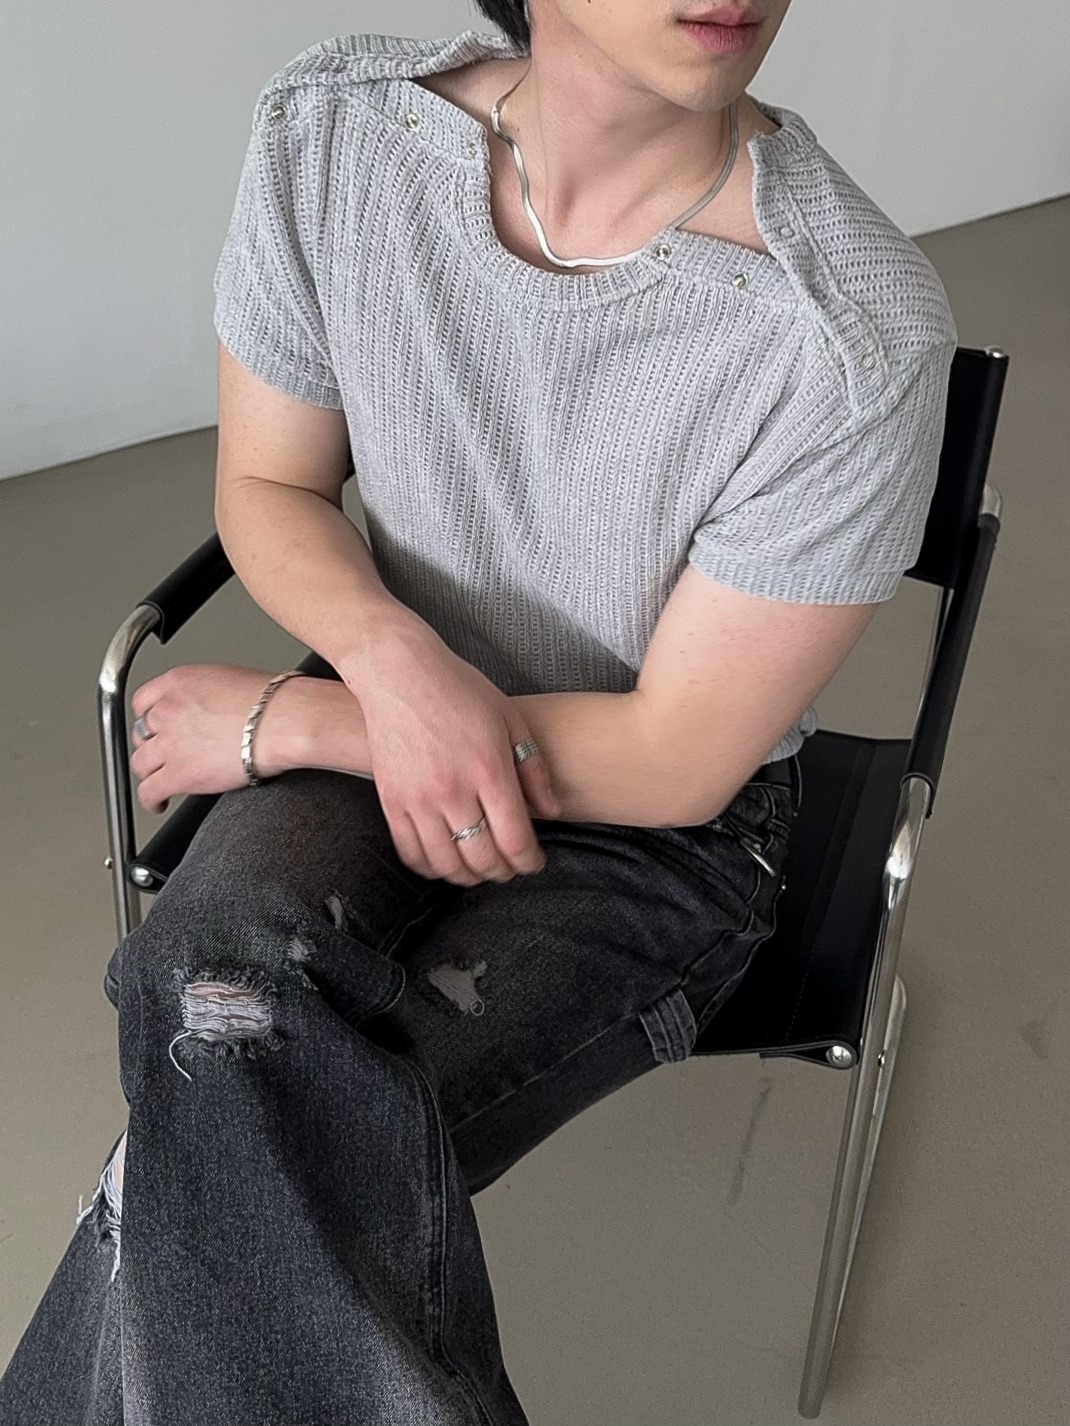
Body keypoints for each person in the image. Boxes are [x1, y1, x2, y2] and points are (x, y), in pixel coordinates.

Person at [0, 0, 957, 1421]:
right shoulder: (334, 136)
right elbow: (268, 484)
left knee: (238, 1123)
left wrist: (301, 721)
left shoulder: (847, 328)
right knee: (210, 994)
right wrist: (395, 664)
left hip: (654, 833)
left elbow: (678, 758)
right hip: (378, 696)